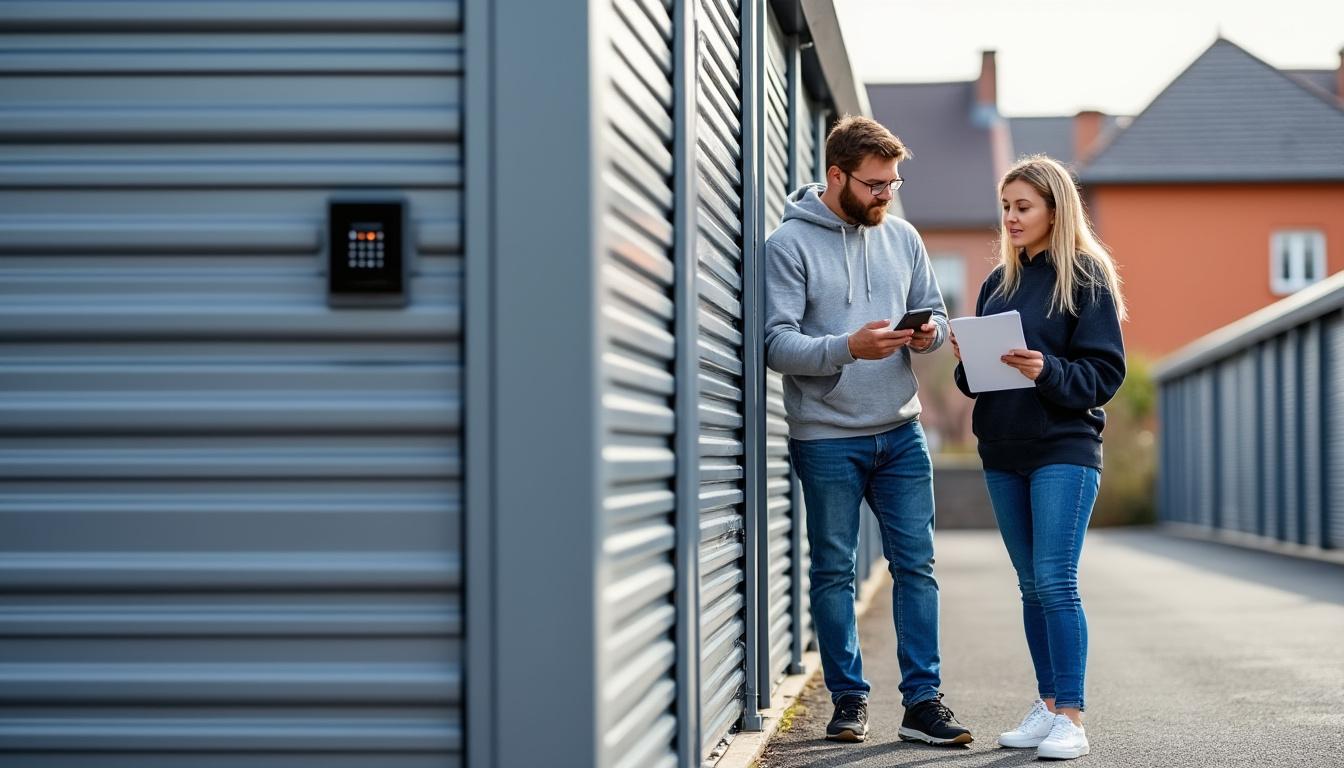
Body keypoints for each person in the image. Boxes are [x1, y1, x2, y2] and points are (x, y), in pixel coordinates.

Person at [765, 115, 972, 746]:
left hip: (901, 432)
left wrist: (929, 333)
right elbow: (776, 343)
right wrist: (847, 347)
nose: (887, 193)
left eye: (893, 182)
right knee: (832, 569)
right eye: (876, 184)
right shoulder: (788, 246)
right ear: (837, 177)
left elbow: (934, 312)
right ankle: (849, 701)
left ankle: (923, 704)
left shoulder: (903, 237)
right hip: (826, 436)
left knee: (918, 565)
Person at [951, 155, 1127, 760]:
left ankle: (1072, 718)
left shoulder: (1088, 277)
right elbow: (976, 382)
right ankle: (1048, 704)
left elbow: (1105, 374)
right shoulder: (997, 283)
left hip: (1064, 448)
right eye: (1005, 207)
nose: (1011, 217)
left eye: (1023, 206)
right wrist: (967, 358)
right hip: (1002, 449)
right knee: (1030, 586)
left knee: (1055, 580)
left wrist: (1045, 368)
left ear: (1056, 208)